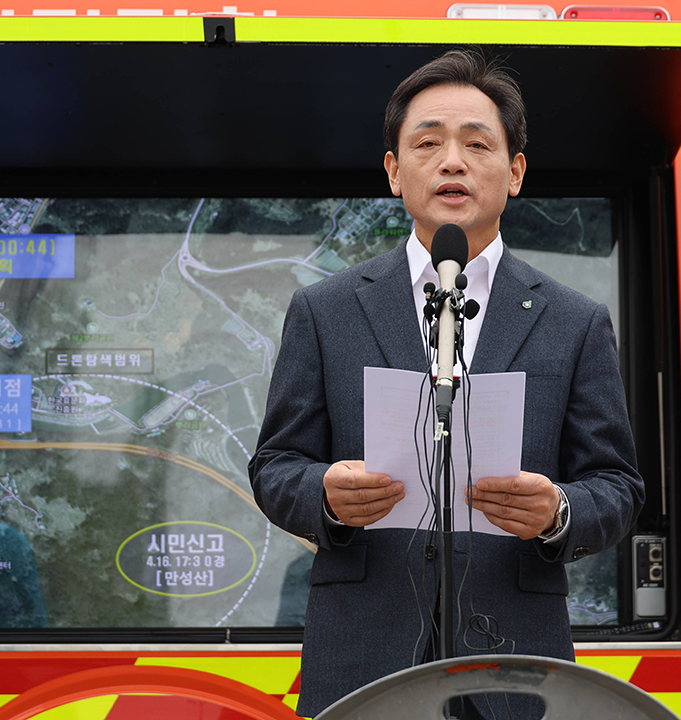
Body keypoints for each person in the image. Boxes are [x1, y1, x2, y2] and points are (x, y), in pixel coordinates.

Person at [248, 49, 644, 718]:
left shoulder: (573, 321)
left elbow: (617, 486)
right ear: (394, 171)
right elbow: (275, 466)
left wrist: (558, 511)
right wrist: (327, 496)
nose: (452, 162)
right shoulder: (326, 310)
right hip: (364, 664)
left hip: (515, 663)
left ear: (515, 172)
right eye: (427, 143)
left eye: (477, 144)